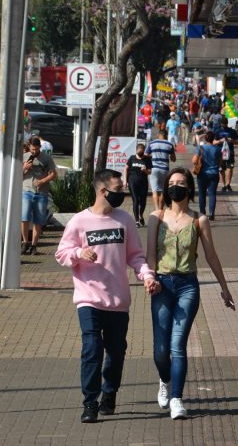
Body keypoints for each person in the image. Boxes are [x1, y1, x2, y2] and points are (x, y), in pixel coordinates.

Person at [55, 169, 161, 423]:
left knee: (116, 351)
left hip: (118, 300)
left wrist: (146, 276)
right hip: (88, 298)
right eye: (117, 189)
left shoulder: (124, 220)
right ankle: (90, 402)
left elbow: (135, 255)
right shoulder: (79, 222)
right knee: (92, 348)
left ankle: (109, 393)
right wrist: (79, 253)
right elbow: (61, 253)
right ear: (103, 191)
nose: (122, 193)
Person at [146, 168, 235, 419]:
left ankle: (176, 398)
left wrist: (224, 288)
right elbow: (150, 253)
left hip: (187, 286)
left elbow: (211, 255)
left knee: (177, 345)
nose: (176, 187)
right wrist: (149, 277)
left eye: (181, 183)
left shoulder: (199, 220)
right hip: (161, 285)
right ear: (166, 188)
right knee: (160, 349)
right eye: (172, 183)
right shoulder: (156, 217)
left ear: (189, 188)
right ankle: (164, 380)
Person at [22, 136, 58, 255]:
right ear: (29, 148)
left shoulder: (46, 158)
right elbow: (17, 176)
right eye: (32, 149)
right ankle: (25, 242)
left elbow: (53, 174)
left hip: (41, 192)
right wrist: (24, 168)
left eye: (36, 149)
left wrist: (42, 181)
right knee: (24, 217)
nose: (34, 152)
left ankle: (34, 245)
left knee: (38, 220)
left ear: (40, 148)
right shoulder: (25, 157)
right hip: (27, 190)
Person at [145, 130, 177, 211]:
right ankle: (161, 208)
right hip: (164, 169)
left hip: (153, 169)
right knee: (163, 190)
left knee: (155, 191)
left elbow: (145, 155)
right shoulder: (170, 144)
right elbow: (173, 159)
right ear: (166, 135)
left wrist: (152, 156)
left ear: (159, 135)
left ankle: (156, 209)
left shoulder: (152, 143)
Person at [194, 132, 222, 220]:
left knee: (202, 194)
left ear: (205, 139)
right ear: (213, 139)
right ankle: (212, 213)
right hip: (214, 174)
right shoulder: (217, 149)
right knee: (212, 194)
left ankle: (202, 213)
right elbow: (220, 162)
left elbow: (194, 161)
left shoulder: (201, 148)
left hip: (202, 174)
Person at [124, 143, 153, 227]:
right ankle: (136, 220)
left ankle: (141, 215)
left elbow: (150, 172)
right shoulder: (132, 158)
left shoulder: (147, 159)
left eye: (142, 152)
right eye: (138, 152)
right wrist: (125, 181)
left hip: (143, 182)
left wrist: (145, 170)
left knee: (143, 201)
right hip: (132, 181)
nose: (140, 154)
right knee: (135, 200)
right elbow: (126, 168)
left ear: (144, 151)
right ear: (136, 150)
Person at [214, 117, 238, 192]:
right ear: (221, 124)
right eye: (223, 124)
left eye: (225, 124)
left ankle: (228, 184)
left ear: (227, 123)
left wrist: (232, 141)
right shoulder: (217, 131)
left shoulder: (232, 131)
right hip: (221, 153)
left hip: (230, 152)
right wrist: (220, 141)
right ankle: (224, 184)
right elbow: (213, 142)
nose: (224, 125)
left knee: (230, 167)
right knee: (221, 169)